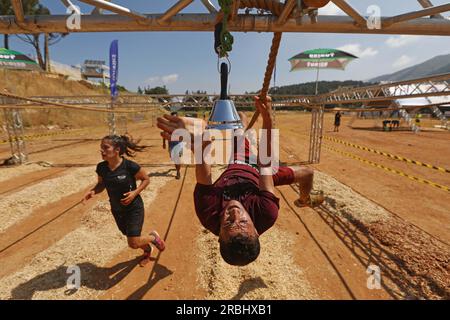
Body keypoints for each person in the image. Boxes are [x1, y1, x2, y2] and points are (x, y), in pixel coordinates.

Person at [157, 96, 324, 266]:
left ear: (219, 235)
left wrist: (201, 148)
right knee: (307, 173)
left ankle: (243, 121)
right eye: (243, 221)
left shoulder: (208, 214)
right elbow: (264, 163)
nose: (235, 212)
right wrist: (267, 117)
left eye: (229, 222)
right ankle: (304, 200)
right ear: (257, 231)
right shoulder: (266, 213)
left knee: (240, 129)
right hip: (260, 176)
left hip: (238, 162)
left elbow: (204, 177)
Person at [83, 134, 166, 266]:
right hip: (117, 209)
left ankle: (153, 238)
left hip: (134, 208)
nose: (102, 151)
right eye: (101, 148)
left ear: (117, 150)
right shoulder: (101, 168)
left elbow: (146, 179)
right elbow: (101, 184)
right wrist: (93, 191)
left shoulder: (129, 166)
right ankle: (147, 250)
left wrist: (134, 193)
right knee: (131, 238)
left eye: (106, 147)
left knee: (133, 243)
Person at [163, 111, 184, 179]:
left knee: (177, 159)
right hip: (171, 144)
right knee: (174, 158)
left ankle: (178, 172)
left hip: (178, 144)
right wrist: (163, 143)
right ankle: (178, 167)